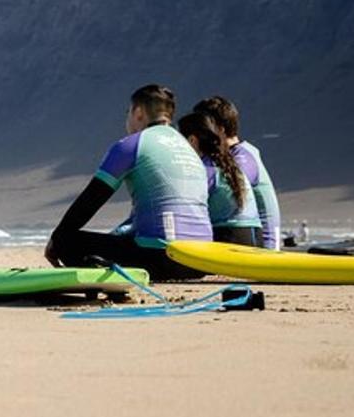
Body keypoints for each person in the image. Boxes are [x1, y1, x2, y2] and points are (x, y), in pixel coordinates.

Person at [45, 84, 211, 280]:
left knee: (67, 239)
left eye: (128, 112)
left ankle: (106, 277)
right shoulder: (189, 150)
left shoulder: (132, 145)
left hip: (163, 259)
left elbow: (91, 200)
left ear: (138, 112)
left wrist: (56, 240)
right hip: (201, 260)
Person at [192, 96, 282, 250]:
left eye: (202, 128)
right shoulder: (233, 155)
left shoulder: (244, 156)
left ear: (219, 129)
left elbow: (216, 185)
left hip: (263, 245)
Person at [177, 112, 263, 246]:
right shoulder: (228, 164)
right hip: (255, 236)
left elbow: (185, 210)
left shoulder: (204, 169)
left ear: (192, 141)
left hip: (230, 238)